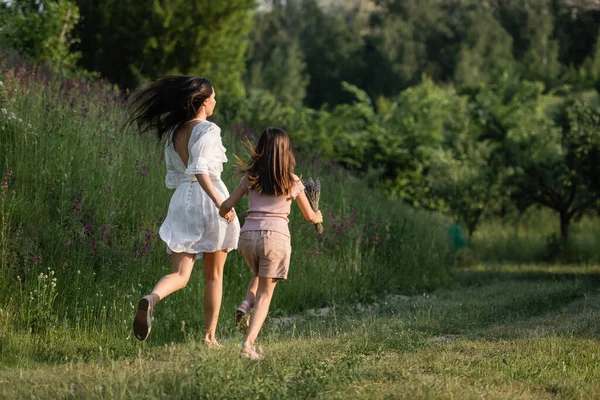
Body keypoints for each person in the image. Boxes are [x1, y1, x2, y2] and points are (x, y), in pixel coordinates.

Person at [128, 75, 240, 346]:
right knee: (214, 276)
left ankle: (152, 298)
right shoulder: (209, 130)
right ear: (201, 102)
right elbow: (200, 168)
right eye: (212, 96)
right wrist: (221, 203)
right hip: (208, 197)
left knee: (181, 275)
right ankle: (209, 337)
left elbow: (179, 175)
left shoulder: (174, 132)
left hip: (182, 198)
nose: (215, 100)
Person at [219, 127, 323, 359]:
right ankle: (248, 344)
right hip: (275, 239)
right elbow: (309, 216)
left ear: (261, 150)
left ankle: (245, 304)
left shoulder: (250, 179)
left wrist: (226, 213)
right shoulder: (292, 181)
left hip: (247, 238)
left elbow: (226, 205)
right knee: (266, 294)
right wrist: (319, 217)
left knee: (259, 275)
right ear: (286, 153)